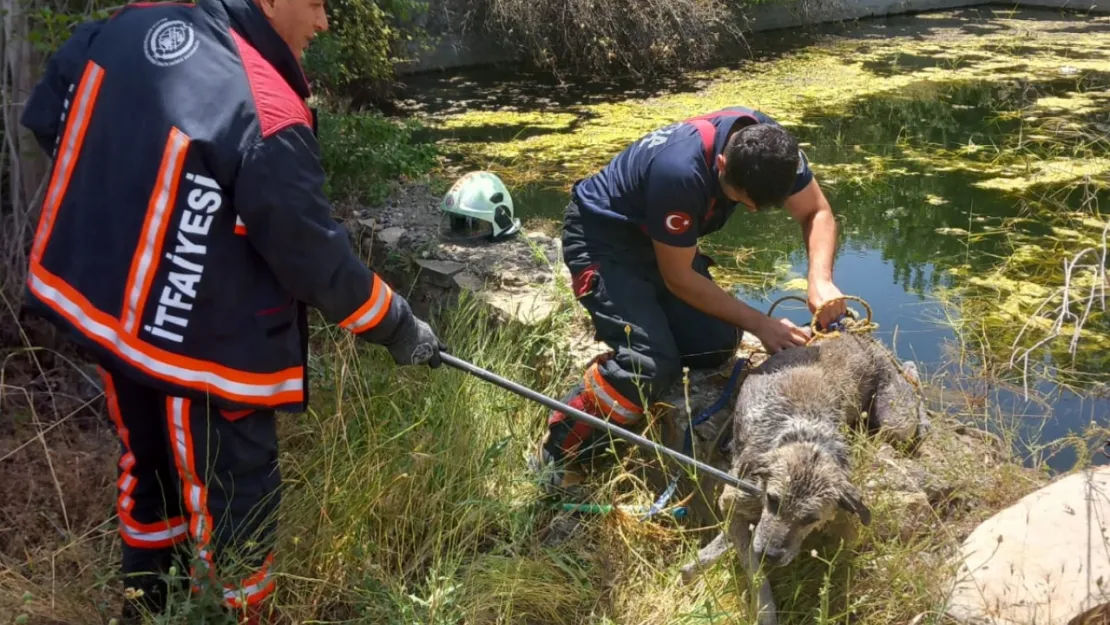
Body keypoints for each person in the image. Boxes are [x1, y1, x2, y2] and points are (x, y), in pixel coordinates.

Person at [19, 0, 444, 621]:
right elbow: (312, 257)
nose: (325, 23)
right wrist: (397, 324)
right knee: (239, 501)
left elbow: (48, 114)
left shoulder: (136, 22)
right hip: (209, 343)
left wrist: (134, 219)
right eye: (318, 4)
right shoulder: (266, 111)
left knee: (149, 466)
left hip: (117, 315)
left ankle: (148, 609)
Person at [530, 106, 847, 494]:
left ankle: (642, 346)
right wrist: (762, 324)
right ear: (723, 163)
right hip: (605, 239)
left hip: (664, 241)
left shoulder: (774, 151)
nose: (748, 209)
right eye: (741, 199)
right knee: (647, 365)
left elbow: (815, 211)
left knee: (714, 346)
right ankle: (560, 449)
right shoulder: (679, 172)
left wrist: (820, 280)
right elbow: (679, 278)